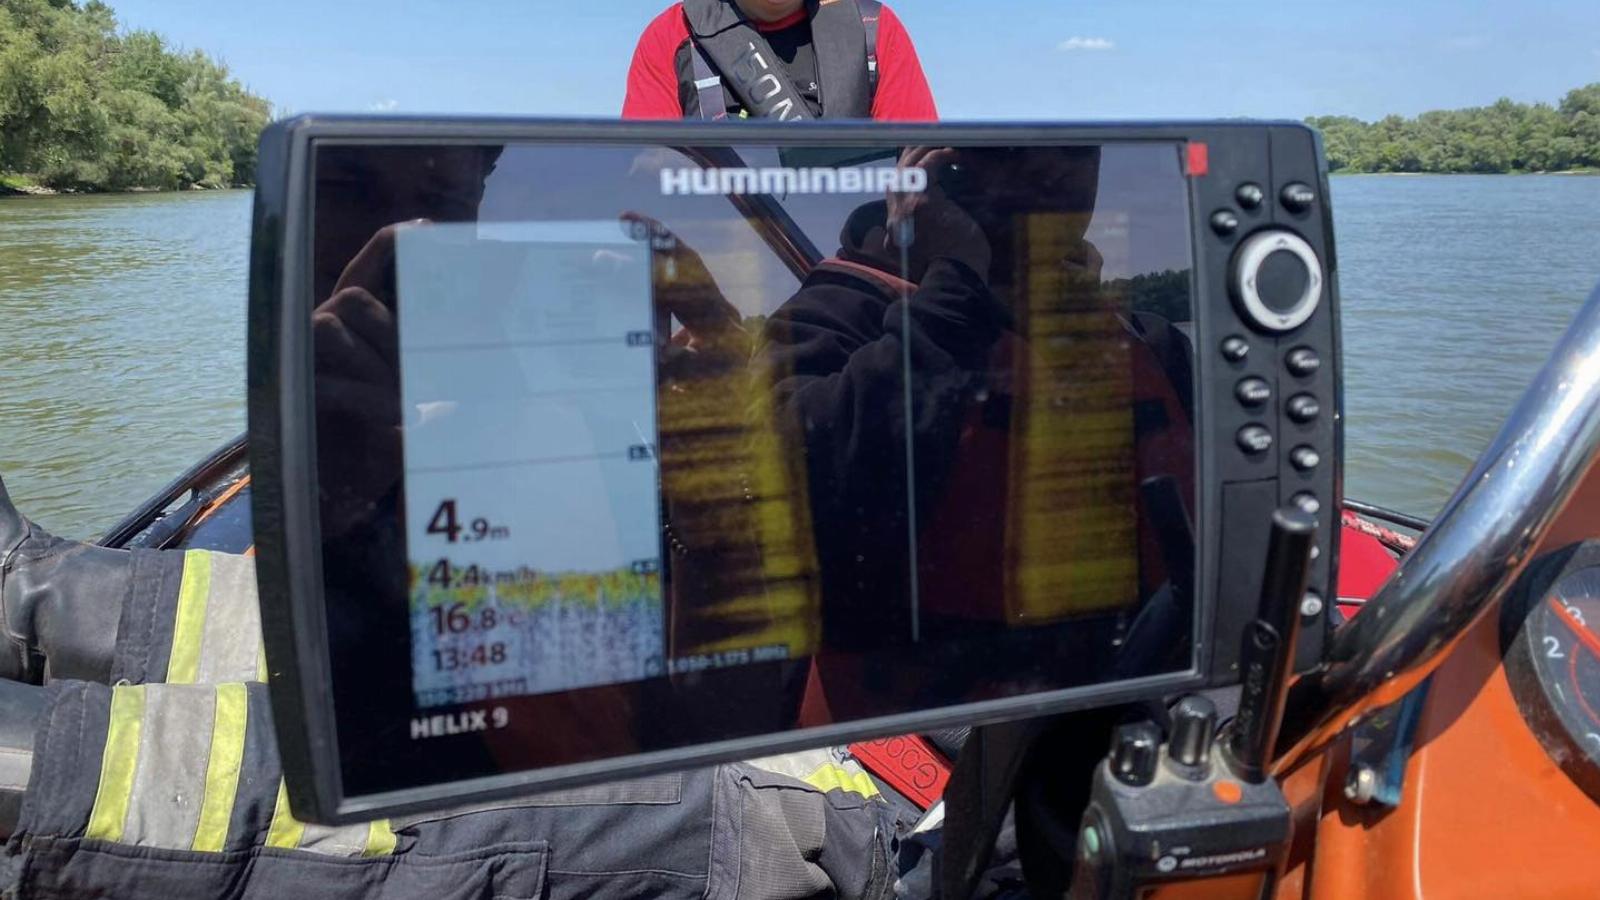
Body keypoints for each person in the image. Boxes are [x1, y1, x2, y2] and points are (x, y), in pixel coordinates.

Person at [622, 0, 937, 121]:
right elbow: (644, 184)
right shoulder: (670, 37)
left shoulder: (875, 30)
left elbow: (921, 174)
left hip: (842, 244)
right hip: (713, 243)